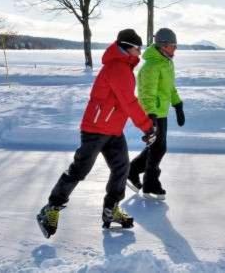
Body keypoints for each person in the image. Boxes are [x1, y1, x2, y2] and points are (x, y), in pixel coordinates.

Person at [37, 29, 157, 238]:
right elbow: (129, 102)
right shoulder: (118, 67)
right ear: (127, 47)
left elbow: (124, 102)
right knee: (79, 170)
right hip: (95, 129)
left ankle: (111, 210)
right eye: (138, 48)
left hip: (112, 129)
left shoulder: (123, 66)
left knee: (121, 167)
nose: (140, 52)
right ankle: (51, 208)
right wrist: (147, 127)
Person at [127, 27, 185, 200]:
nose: (175, 49)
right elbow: (146, 93)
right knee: (158, 148)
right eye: (173, 45)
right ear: (163, 45)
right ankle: (150, 183)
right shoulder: (151, 66)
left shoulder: (166, 62)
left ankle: (132, 170)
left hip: (161, 112)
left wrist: (178, 104)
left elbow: (169, 87)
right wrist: (150, 114)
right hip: (153, 113)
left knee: (156, 147)